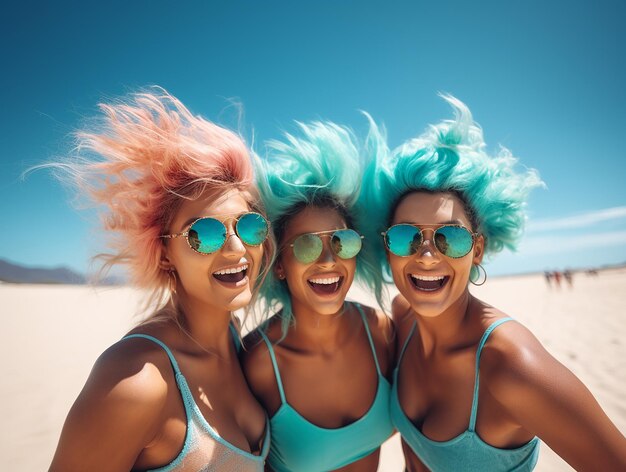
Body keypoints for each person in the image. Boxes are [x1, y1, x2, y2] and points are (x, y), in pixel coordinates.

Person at [359, 95, 626, 471]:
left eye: (450, 237)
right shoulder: (402, 318)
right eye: (406, 237)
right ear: (388, 248)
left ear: (478, 249)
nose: (427, 255)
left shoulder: (513, 365)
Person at [48, 89, 273, 471]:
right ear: (166, 252)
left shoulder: (238, 340)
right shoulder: (136, 381)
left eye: (249, 225)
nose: (236, 248)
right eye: (204, 234)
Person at [242, 121, 395, 471]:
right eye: (308, 245)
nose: (329, 261)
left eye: (342, 242)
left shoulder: (381, 333)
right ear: (279, 264)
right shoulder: (258, 363)